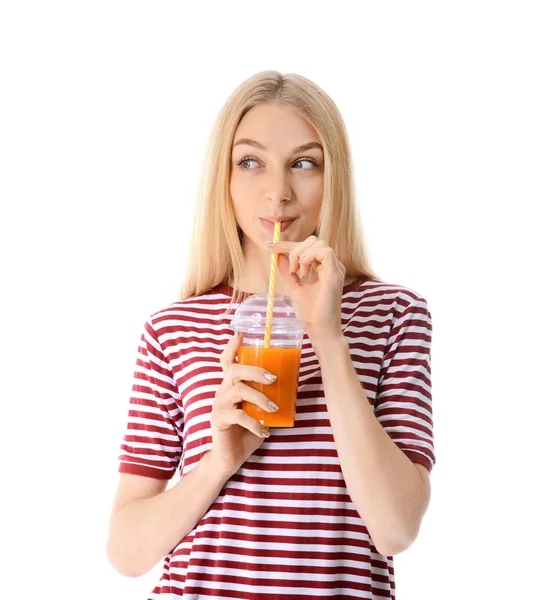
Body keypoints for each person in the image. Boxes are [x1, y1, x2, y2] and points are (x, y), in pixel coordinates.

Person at [107, 70, 435, 599]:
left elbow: (394, 529)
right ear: (225, 179)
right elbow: (127, 552)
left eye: (304, 163)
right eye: (250, 162)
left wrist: (326, 334)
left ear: (335, 179)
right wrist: (220, 461)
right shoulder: (172, 329)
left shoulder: (394, 315)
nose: (278, 192)